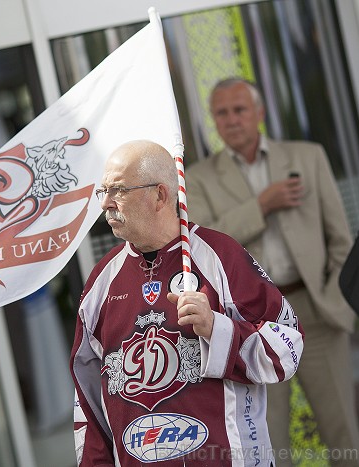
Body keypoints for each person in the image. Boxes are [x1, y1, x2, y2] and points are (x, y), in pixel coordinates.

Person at [70, 140, 303, 466]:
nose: (106, 203)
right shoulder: (100, 282)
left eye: (119, 190)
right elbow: (87, 398)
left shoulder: (220, 255)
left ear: (160, 195)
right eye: (103, 191)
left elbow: (288, 349)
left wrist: (217, 329)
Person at [186, 77, 359, 467]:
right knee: (267, 444)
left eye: (240, 109)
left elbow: (341, 239)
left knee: (344, 435)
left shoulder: (308, 157)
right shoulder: (198, 178)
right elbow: (205, 245)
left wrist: (335, 300)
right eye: (222, 112)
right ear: (214, 121)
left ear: (260, 113)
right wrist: (262, 205)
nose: (232, 119)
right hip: (251, 324)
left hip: (315, 311)